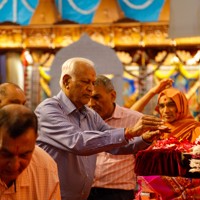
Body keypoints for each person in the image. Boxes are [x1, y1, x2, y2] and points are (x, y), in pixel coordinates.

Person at [35, 57, 168, 200]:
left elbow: (115, 145)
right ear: (67, 81)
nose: (91, 89)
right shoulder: (49, 110)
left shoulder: (89, 114)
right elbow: (78, 142)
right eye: (86, 82)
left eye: (92, 83)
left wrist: (144, 139)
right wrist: (128, 131)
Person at [87, 75, 160, 200]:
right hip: (85, 191)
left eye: (97, 97)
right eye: (88, 98)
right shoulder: (83, 119)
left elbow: (148, 160)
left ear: (113, 95)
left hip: (118, 192)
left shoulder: (135, 119)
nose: (91, 104)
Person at [131, 79, 200, 199]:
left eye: (171, 105)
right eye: (161, 106)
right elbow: (128, 115)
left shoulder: (194, 129)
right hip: (155, 193)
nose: (166, 111)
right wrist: (152, 92)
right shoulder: (156, 128)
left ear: (181, 105)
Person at [0, 104, 61, 199]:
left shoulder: (46, 169)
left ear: (35, 141)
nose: (14, 166)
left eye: (24, 155)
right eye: (6, 154)